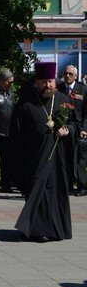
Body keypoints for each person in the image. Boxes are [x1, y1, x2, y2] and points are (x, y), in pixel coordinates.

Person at [12, 62, 75, 242]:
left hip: (57, 156)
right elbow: (16, 133)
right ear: (37, 82)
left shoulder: (63, 99)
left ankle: (54, 229)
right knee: (38, 191)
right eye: (44, 82)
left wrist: (67, 130)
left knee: (54, 192)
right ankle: (38, 230)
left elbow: (75, 124)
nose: (48, 85)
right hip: (34, 156)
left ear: (55, 81)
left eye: (50, 81)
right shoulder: (25, 102)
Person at [57, 64, 87, 196]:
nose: (67, 76)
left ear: (75, 76)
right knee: (65, 156)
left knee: (80, 157)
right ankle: (67, 185)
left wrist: (85, 128)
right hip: (63, 127)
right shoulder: (59, 88)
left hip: (79, 127)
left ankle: (82, 186)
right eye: (65, 73)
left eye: (70, 74)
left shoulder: (83, 89)